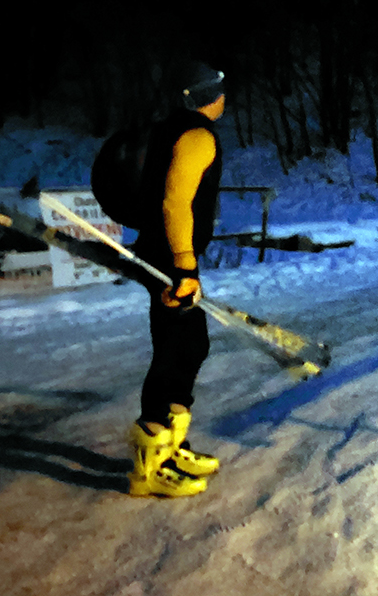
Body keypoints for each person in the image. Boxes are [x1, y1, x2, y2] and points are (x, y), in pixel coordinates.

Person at [126, 63, 226, 498]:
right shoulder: (198, 136)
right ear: (212, 97)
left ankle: (172, 443)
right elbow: (175, 202)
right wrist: (184, 266)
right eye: (222, 92)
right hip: (171, 257)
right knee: (174, 351)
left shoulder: (169, 130)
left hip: (164, 251)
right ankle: (149, 467)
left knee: (191, 345)